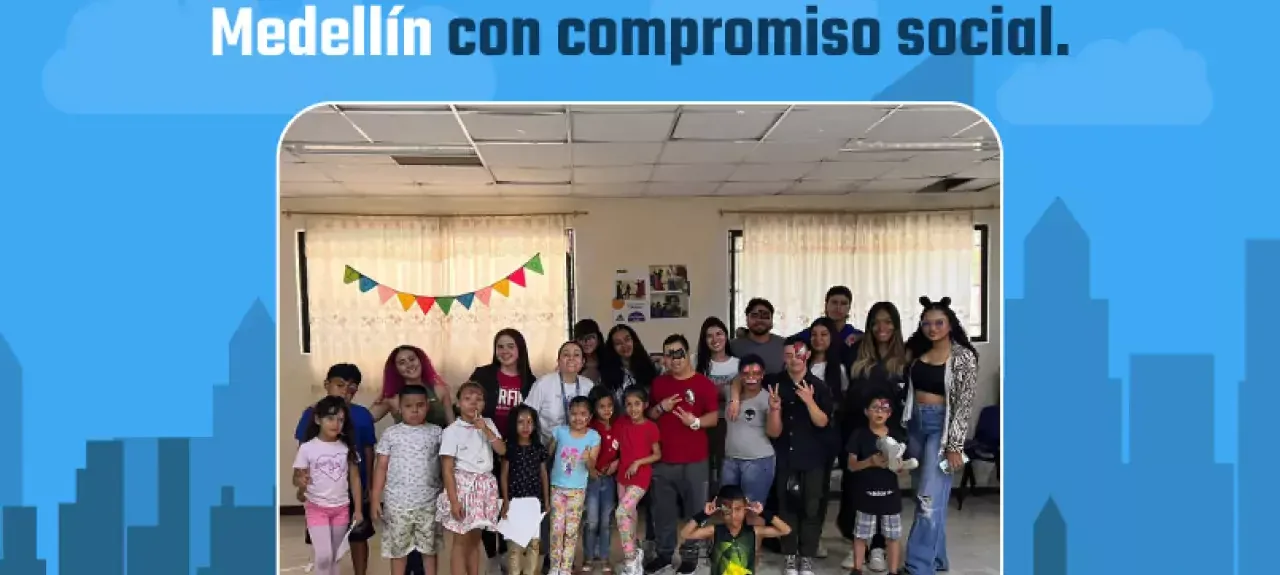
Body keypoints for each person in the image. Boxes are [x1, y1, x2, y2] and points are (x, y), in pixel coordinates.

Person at [901, 296, 979, 575]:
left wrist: (955, 445)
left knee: (928, 498)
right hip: (916, 425)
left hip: (941, 429)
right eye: (927, 324)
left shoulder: (963, 357)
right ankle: (937, 558)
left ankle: (917, 566)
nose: (932, 328)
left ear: (950, 324)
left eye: (939, 323)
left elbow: (964, 404)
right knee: (925, 497)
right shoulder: (918, 352)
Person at [837, 302, 909, 572]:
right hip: (856, 430)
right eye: (876, 321)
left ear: (896, 325)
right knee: (854, 487)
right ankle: (857, 543)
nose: (882, 327)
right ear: (868, 325)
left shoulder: (905, 356)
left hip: (890, 431)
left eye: (888, 321)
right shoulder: (855, 351)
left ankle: (878, 547)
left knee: (882, 487)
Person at [644, 335, 718, 575]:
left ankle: (690, 556)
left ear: (688, 354)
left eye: (679, 353)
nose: (675, 359)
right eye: (669, 354)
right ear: (664, 358)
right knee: (662, 512)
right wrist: (661, 407)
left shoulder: (704, 384)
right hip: (663, 460)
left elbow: (714, 417)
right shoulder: (659, 384)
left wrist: (695, 422)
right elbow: (649, 415)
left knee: (695, 512)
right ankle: (664, 555)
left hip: (695, 460)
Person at [293, 364, 377, 575]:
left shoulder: (362, 415)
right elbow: (302, 456)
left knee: (357, 537)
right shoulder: (311, 414)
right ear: (327, 385)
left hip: (351, 492)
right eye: (340, 385)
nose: (345, 391)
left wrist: (369, 485)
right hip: (319, 495)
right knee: (324, 547)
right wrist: (302, 483)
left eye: (352, 387)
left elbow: (368, 451)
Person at [468, 329, 539, 565]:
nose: (505, 351)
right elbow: (469, 402)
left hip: (516, 450)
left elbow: (532, 418)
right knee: (489, 502)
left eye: (510, 346)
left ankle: (511, 553)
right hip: (484, 448)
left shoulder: (531, 382)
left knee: (510, 502)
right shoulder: (483, 374)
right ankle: (493, 556)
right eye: (500, 346)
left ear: (520, 350)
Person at [769, 337, 835, 575]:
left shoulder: (819, 386)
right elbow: (773, 432)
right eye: (789, 355)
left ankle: (806, 557)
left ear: (807, 355)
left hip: (813, 458)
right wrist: (775, 409)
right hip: (785, 457)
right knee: (786, 508)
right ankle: (789, 555)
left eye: (798, 354)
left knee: (811, 508)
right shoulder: (775, 384)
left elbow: (823, 422)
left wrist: (809, 401)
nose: (794, 359)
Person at [371, 385, 445, 575]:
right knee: (398, 551)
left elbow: (445, 466)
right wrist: (375, 498)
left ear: (427, 406)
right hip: (397, 504)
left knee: (429, 550)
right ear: (399, 408)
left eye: (420, 405)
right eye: (408, 406)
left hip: (429, 503)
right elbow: (381, 467)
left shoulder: (437, 433)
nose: (414, 410)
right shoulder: (391, 434)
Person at [439, 382, 507, 575]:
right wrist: (454, 501)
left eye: (478, 399)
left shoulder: (488, 424)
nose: (473, 403)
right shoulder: (452, 430)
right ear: (458, 404)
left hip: (484, 488)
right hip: (463, 487)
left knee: (475, 540)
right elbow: (447, 469)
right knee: (461, 541)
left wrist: (486, 430)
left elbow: (502, 450)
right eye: (467, 399)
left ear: (484, 404)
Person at [844, 391, 909, 575]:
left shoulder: (896, 436)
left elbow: (903, 467)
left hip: (890, 495)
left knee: (893, 536)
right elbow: (851, 465)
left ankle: (893, 571)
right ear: (866, 411)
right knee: (861, 535)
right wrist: (869, 462)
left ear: (890, 413)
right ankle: (857, 569)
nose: (879, 412)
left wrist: (899, 467)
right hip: (865, 495)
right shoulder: (859, 435)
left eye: (884, 408)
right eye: (875, 408)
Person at [677, 485, 791, 575]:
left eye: (738, 509)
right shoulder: (714, 531)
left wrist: (763, 513)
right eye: (727, 510)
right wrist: (703, 514)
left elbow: (785, 530)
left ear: (745, 509)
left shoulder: (755, 532)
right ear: (720, 512)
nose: (733, 515)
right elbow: (685, 534)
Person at [547, 396, 602, 575]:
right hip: (557, 487)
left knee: (571, 531)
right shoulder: (559, 432)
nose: (578, 418)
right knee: (556, 529)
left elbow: (592, 469)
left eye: (583, 414)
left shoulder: (594, 437)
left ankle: (565, 568)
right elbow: (547, 455)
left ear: (590, 416)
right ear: (568, 414)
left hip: (577, 490)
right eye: (574, 414)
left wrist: (588, 460)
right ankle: (554, 566)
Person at [720, 355, 780, 506]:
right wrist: (735, 398)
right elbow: (731, 382)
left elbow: (774, 433)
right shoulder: (730, 392)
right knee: (728, 509)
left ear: (763, 375)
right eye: (746, 373)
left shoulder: (768, 398)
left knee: (753, 510)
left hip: (758, 462)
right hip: (730, 460)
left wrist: (774, 410)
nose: (751, 377)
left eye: (756, 373)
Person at [614, 387, 662, 575]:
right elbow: (615, 445)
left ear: (645, 405)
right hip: (622, 476)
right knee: (630, 517)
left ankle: (630, 560)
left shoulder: (650, 427)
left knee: (621, 512)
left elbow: (657, 454)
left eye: (637, 404)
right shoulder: (621, 423)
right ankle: (635, 553)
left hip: (640, 477)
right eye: (628, 404)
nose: (633, 408)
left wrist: (638, 462)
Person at [501, 405, 550, 575]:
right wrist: (505, 501)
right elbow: (504, 476)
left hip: (534, 503)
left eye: (530, 422)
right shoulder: (509, 448)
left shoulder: (539, 449)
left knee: (533, 545)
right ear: (513, 424)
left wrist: (546, 501)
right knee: (514, 546)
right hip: (514, 503)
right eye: (520, 422)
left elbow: (544, 475)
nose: (525, 426)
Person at [695, 317, 738, 488]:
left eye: (719, 334)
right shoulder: (695, 361)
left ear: (726, 336)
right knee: (703, 467)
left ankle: (723, 497)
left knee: (724, 466)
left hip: (729, 422)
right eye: (709, 336)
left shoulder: (738, 364)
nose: (715, 339)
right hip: (702, 422)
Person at [525, 341, 597, 444]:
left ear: (583, 362)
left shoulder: (589, 385)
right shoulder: (543, 383)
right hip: (547, 446)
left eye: (576, 355)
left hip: (580, 447)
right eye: (566, 354)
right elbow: (527, 414)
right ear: (558, 361)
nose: (571, 358)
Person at [585, 388, 621, 573]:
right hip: (592, 480)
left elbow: (624, 450)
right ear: (594, 408)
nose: (607, 410)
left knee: (606, 521)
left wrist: (617, 462)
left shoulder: (617, 426)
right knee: (592, 521)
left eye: (609, 405)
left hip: (609, 480)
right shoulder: (590, 428)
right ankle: (589, 557)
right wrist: (591, 470)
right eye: (601, 406)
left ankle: (605, 557)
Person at [373, 345, 454, 426]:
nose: (409, 365)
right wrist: (383, 393)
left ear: (420, 361)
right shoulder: (392, 398)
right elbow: (366, 418)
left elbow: (452, 426)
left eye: (412, 359)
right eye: (402, 363)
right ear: (396, 369)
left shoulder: (440, 390)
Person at [599, 324, 659, 408]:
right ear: (612, 348)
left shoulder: (651, 366)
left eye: (627, 340)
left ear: (634, 341)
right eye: (618, 343)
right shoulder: (607, 373)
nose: (624, 345)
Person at [791, 286, 864, 350]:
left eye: (843, 303)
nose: (838, 307)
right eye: (834, 302)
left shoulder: (856, 336)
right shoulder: (812, 334)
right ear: (826, 305)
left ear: (849, 308)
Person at [729, 299, 785, 375]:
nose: (759, 320)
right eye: (754, 316)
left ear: (772, 320)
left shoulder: (785, 345)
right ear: (747, 319)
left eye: (765, 315)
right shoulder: (732, 346)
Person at [574, 319, 606, 384]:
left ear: (598, 338)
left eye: (591, 337)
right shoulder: (571, 362)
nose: (586, 342)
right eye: (581, 338)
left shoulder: (608, 359)